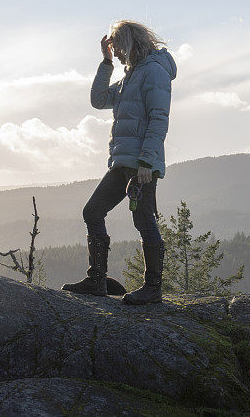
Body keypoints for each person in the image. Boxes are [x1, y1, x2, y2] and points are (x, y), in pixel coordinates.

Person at [62, 21, 177, 305]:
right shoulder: (131, 76)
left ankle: (153, 288)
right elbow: (98, 99)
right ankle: (96, 281)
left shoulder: (153, 72)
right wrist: (105, 62)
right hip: (122, 162)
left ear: (131, 43)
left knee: (143, 220)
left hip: (141, 165)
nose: (119, 54)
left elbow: (158, 120)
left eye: (118, 48)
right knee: (93, 211)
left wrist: (146, 163)